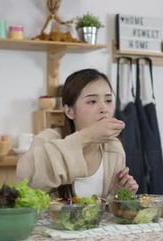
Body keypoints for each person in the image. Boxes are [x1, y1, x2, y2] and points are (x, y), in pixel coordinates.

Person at [16, 68, 138, 200]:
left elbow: (105, 212)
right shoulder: (47, 139)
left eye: (108, 100)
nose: (104, 109)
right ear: (69, 111)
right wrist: (86, 137)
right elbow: (26, 179)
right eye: (92, 101)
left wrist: (118, 195)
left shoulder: (114, 148)